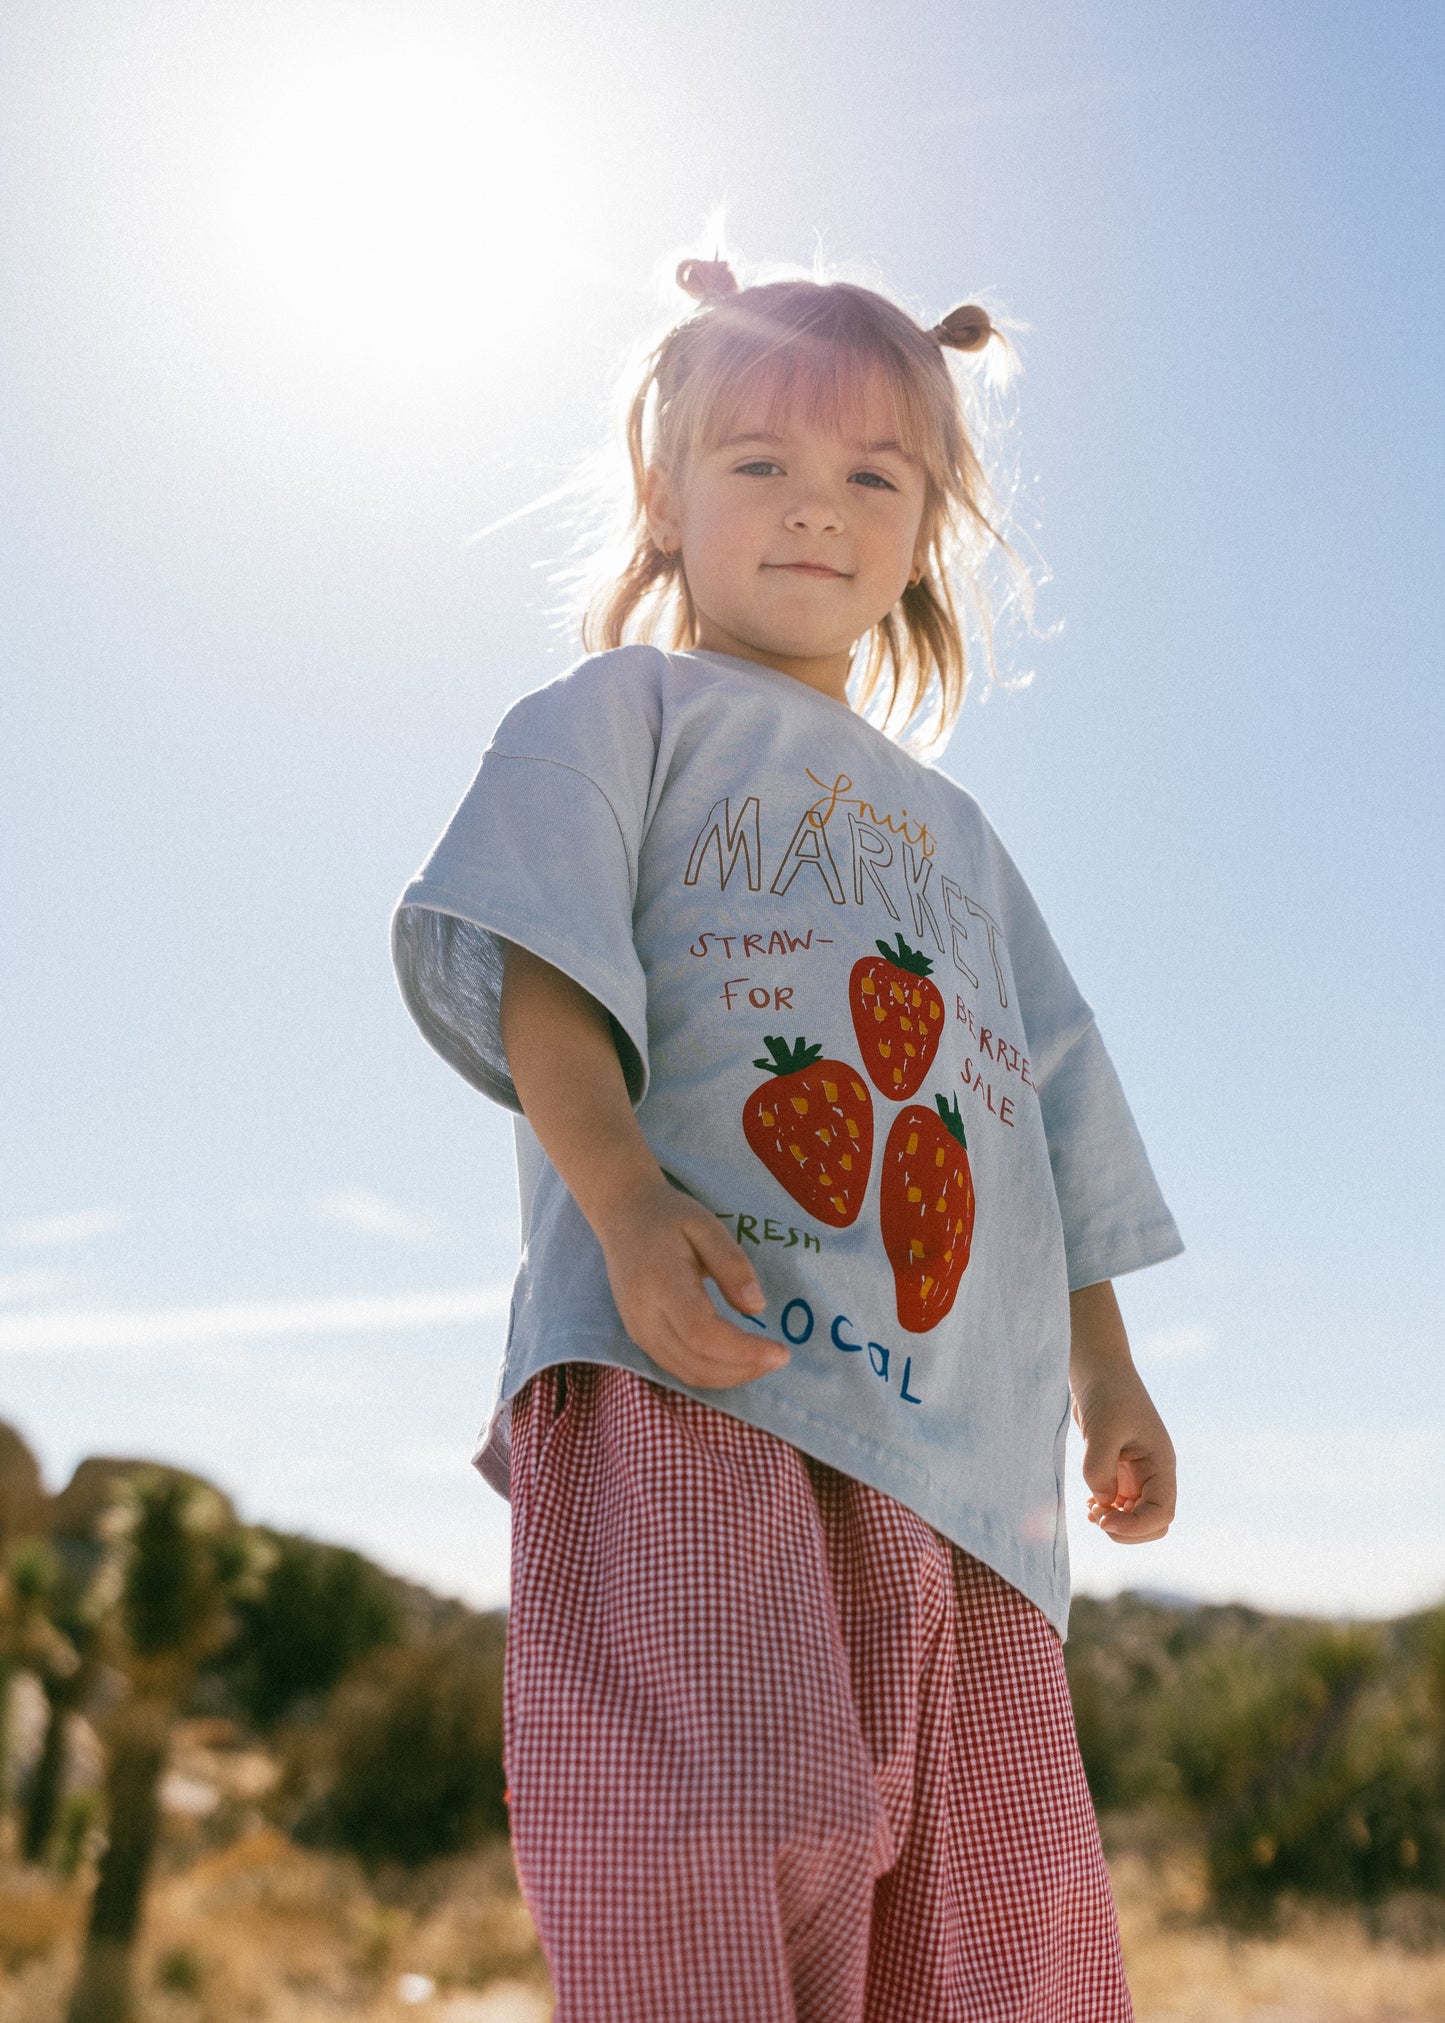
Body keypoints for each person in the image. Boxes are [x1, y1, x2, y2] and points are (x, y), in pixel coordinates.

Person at [392, 254, 1182, 2022]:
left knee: (991, 1939)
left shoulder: (962, 840)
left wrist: (1102, 1375)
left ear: (924, 535)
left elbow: (1052, 1120)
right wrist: (620, 1196)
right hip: (710, 1374)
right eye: (756, 462)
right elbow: (542, 968)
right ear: (665, 500)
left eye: (870, 478)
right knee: (724, 1842)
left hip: (968, 1477)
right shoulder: (621, 717)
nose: (812, 508)